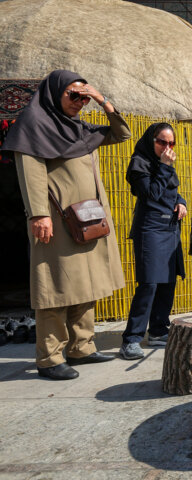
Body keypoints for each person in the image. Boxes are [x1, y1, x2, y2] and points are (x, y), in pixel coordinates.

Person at [3, 70, 130, 380]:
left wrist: (103, 101)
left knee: (85, 284)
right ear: (54, 93)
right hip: (57, 221)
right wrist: (38, 214)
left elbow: (122, 134)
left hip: (89, 219)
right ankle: (49, 357)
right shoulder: (34, 127)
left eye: (84, 97)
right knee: (56, 287)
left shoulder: (79, 129)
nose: (80, 102)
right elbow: (30, 173)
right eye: (73, 95)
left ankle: (81, 347)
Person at [119, 123, 186, 360]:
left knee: (167, 282)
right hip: (151, 229)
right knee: (149, 283)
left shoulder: (162, 166)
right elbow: (152, 194)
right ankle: (131, 339)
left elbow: (172, 191)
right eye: (162, 142)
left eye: (171, 143)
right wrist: (165, 166)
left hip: (170, 229)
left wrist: (182, 202)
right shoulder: (140, 164)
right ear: (151, 140)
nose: (167, 147)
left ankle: (158, 330)